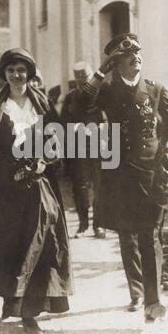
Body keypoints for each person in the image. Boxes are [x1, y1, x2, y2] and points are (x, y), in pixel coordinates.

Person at [0, 48, 74, 334]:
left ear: (30, 74)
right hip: (4, 189)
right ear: (4, 75)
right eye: (11, 70)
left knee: (40, 244)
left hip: (38, 185)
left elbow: (59, 140)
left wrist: (45, 160)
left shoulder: (42, 105)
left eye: (22, 70)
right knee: (10, 246)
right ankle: (12, 301)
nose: (17, 75)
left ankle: (30, 313)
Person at [81, 33, 168, 321]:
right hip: (119, 174)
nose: (135, 56)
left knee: (149, 234)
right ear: (116, 62)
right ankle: (136, 291)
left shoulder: (155, 89)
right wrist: (101, 70)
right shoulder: (107, 90)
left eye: (138, 52)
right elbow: (81, 103)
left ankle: (153, 299)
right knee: (128, 236)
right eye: (127, 54)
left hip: (152, 173)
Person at [60, 61, 107, 239]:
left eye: (86, 78)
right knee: (79, 188)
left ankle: (99, 225)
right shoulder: (70, 98)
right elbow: (63, 123)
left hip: (97, 146)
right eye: (79, 79)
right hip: (77, 148)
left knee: (99, 186)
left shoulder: (100, 95)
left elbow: (106, 120)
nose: (83, 82)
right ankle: (83, 224)